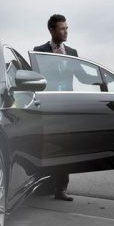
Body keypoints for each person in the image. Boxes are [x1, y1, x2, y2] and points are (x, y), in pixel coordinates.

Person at [33, 13, 77, 201]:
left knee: (64, 148)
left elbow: (83, 76)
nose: (66, 31)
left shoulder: (73, 53)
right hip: (47, 106)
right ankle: (44, 185)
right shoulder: (39, 50)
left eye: (67, 28)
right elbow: (36, 75)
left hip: (66, 107)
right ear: (52, 30)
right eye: (62, 28)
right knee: (46, 146)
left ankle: (61, 189)